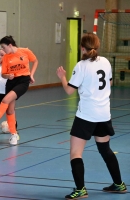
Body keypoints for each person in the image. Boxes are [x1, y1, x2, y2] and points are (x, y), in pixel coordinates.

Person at [56, 33, 127, 199]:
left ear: (82, 48)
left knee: (75, 153)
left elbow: (69, 90)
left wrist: (62, 77)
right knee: (105, 150)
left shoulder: (81, 66)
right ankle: (119, 184)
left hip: (86, 116)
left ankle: (80, 190)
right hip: (103, 114)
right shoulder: (105, 62)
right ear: (97, 46)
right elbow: (109, 83)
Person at [0, 35, 38, 145]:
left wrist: (31, 75)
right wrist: (8, 76)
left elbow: (35, 61)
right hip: (11, 82)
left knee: (5, 100)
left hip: (23, 81)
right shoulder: (6, 57)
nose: (3, 50)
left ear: (10, 45)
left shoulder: (25, 51)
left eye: (4, 47)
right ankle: (14, 135)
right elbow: (3, 74)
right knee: (10, 110)